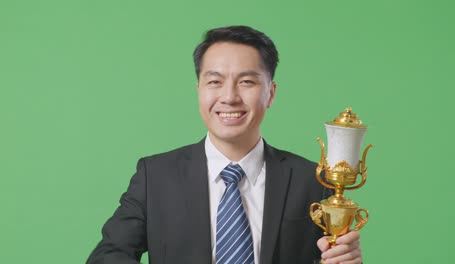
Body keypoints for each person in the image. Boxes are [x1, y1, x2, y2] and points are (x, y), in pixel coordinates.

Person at [87, 25, 363, 264]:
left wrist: (344, 258)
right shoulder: (155, 176)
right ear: (199, 90)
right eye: (215, 81)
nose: (229, 97)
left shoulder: (313, 180)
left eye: (246, 82)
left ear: (270, 93)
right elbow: (107, 255)